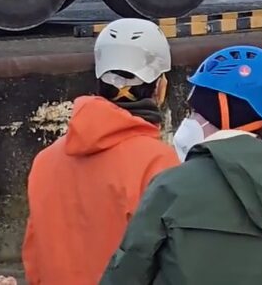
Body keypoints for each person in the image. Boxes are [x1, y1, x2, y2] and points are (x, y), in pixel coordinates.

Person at [100, 44, 262, 285]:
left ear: (224, 111)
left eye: (196, 113)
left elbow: (125, 275)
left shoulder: (170, 190)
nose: (190, 122)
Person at [21, 18, 179, 285]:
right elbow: (171, 262)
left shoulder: (45, 161)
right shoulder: (158, 162)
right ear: (160, 87)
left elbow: (35, 258)